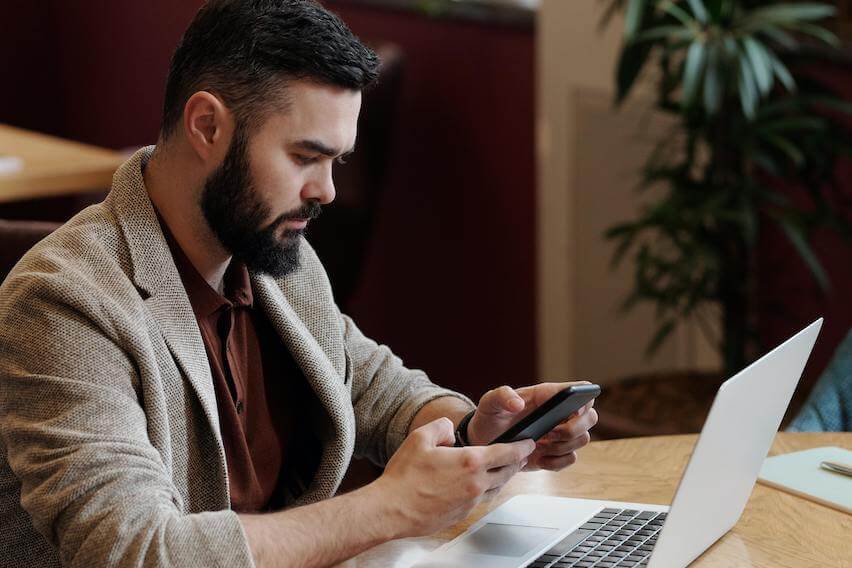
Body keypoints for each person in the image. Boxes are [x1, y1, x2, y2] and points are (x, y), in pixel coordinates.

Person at [0, 1, 598, 566]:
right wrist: (388, 507)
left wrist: (474, 430)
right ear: (207, 125)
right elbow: (134, 551)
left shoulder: (268, 250)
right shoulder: (63, 302)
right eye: (304, 156)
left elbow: (369, 384)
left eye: (335, 161)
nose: (327, 192)